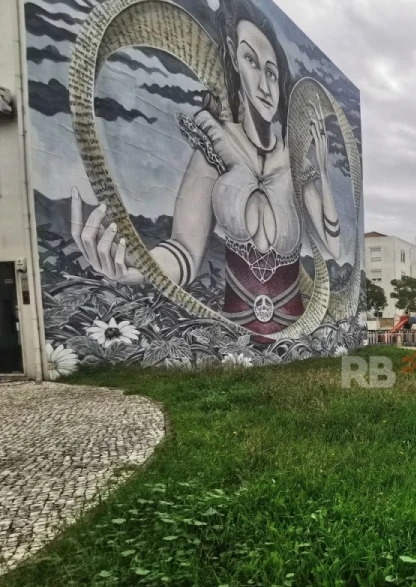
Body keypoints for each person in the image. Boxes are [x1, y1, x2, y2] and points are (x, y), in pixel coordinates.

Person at [70, 0, 339, 342]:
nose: (264, 84)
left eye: (272, 71)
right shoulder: (213, 144)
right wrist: (136, 269)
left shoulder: (297, 157)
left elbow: (333, 247)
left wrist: (325, 176)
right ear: (233, 58)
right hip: (234, 341)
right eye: (251, 62)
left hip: (298, 338)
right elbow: (184, 251)